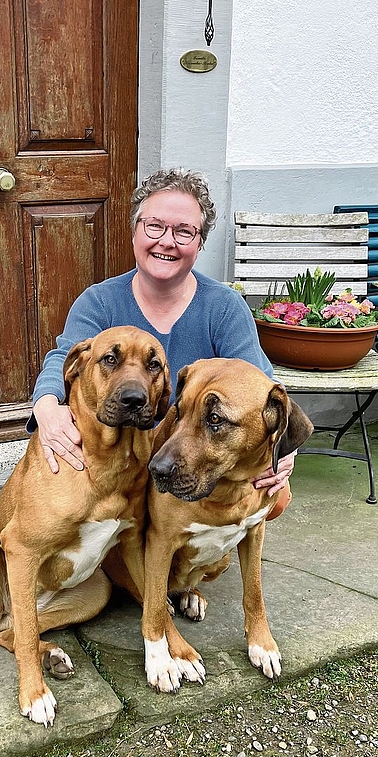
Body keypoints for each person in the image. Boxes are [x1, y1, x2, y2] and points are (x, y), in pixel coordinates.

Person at [29, 167, 297, 505]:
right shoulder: (99, 301)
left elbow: (262, 385)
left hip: (188, 452)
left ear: (199, 244)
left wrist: (285, 447)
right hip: (119, 450)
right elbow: (63, 357)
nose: (166, 241)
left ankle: (206, 548)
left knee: (276, 495)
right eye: (154, 226)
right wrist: (47, 406)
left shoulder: (224, 307)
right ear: (135, 232)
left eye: (184, 231)